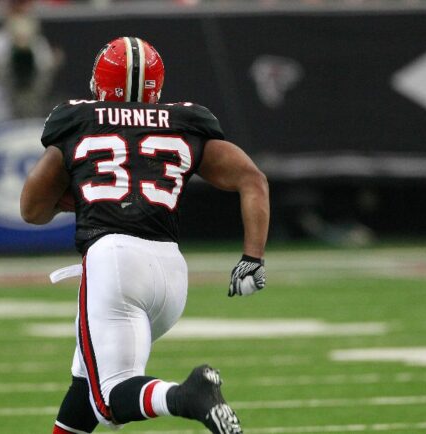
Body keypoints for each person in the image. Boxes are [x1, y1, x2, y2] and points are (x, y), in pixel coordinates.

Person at [20, 37, 268, 433]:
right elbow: (252, 179)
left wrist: (81, 197)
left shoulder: (78, 119)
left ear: (100, 81)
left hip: (114, 261)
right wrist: (252, 258)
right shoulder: (186, 122)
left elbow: (31, 208)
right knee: (85, 389)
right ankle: (184, 395)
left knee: (110, 398)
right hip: (171, 273)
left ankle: (188, 396)